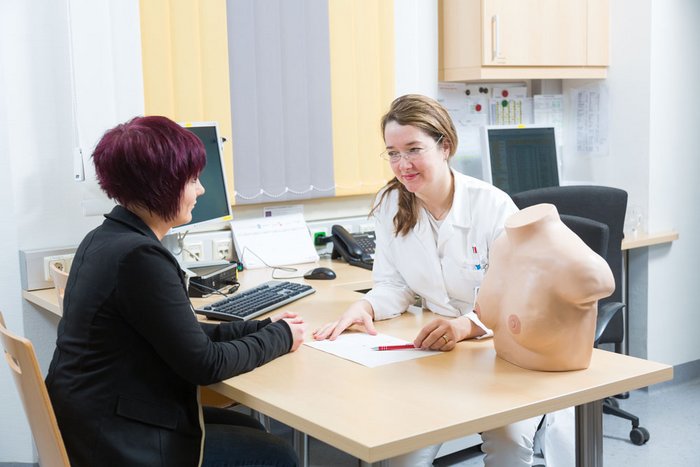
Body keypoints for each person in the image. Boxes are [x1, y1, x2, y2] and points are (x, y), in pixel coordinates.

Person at [312, 94, 573, 466]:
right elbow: (394, 286)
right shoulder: (390, 205)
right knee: (400, 455)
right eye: (392, 152)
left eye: (413, 149)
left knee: (510, 443)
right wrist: (364, 305)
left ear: (445, 146)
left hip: (504, 350)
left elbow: (521, 299)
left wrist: (467, 325)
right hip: (436, 355)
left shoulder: (492, 207)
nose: (402, 164)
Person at [45, 116, 304, 467]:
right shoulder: (139, 257)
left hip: (96, 416)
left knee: (248, 425)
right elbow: (204, 365)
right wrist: (281, 338)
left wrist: (262, 327)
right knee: (277, 454)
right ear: (160, 185)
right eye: (193, 180)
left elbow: (185, 335)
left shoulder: (105, 239)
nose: (201, 190)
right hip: (116, 439)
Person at [476, 203, 615, 371]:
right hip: (499, 377)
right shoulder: (499, 247)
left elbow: (605, 282)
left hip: (561, 387)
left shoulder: (577, 263)